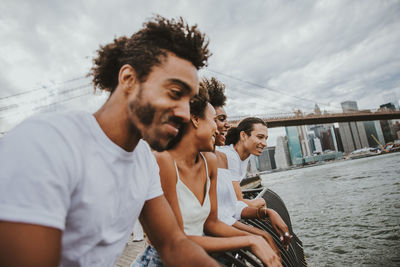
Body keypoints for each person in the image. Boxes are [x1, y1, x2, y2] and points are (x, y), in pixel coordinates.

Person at [0, 16, 219, 267]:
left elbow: (173, 244)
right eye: (175, 93)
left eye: (188, 102)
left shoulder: (143, 160)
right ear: (128, 79)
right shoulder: (46, 145)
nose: (183, 113)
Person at [133, 87, 282, 266]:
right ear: (195, 119)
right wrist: (250, 240)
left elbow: (212, 223)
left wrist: (260, 236)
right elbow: (178, 239)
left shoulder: (209, 162)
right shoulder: (164, 162)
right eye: (213, 120)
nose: (218, 128)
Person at [203, 77, 291, 249]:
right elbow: (216, 218)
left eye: (266, 138)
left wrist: (266, 212)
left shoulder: (218, 158)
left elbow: (226, 211)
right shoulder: (225, 157)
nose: (226, 125)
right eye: (219, 119)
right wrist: (258, 236)